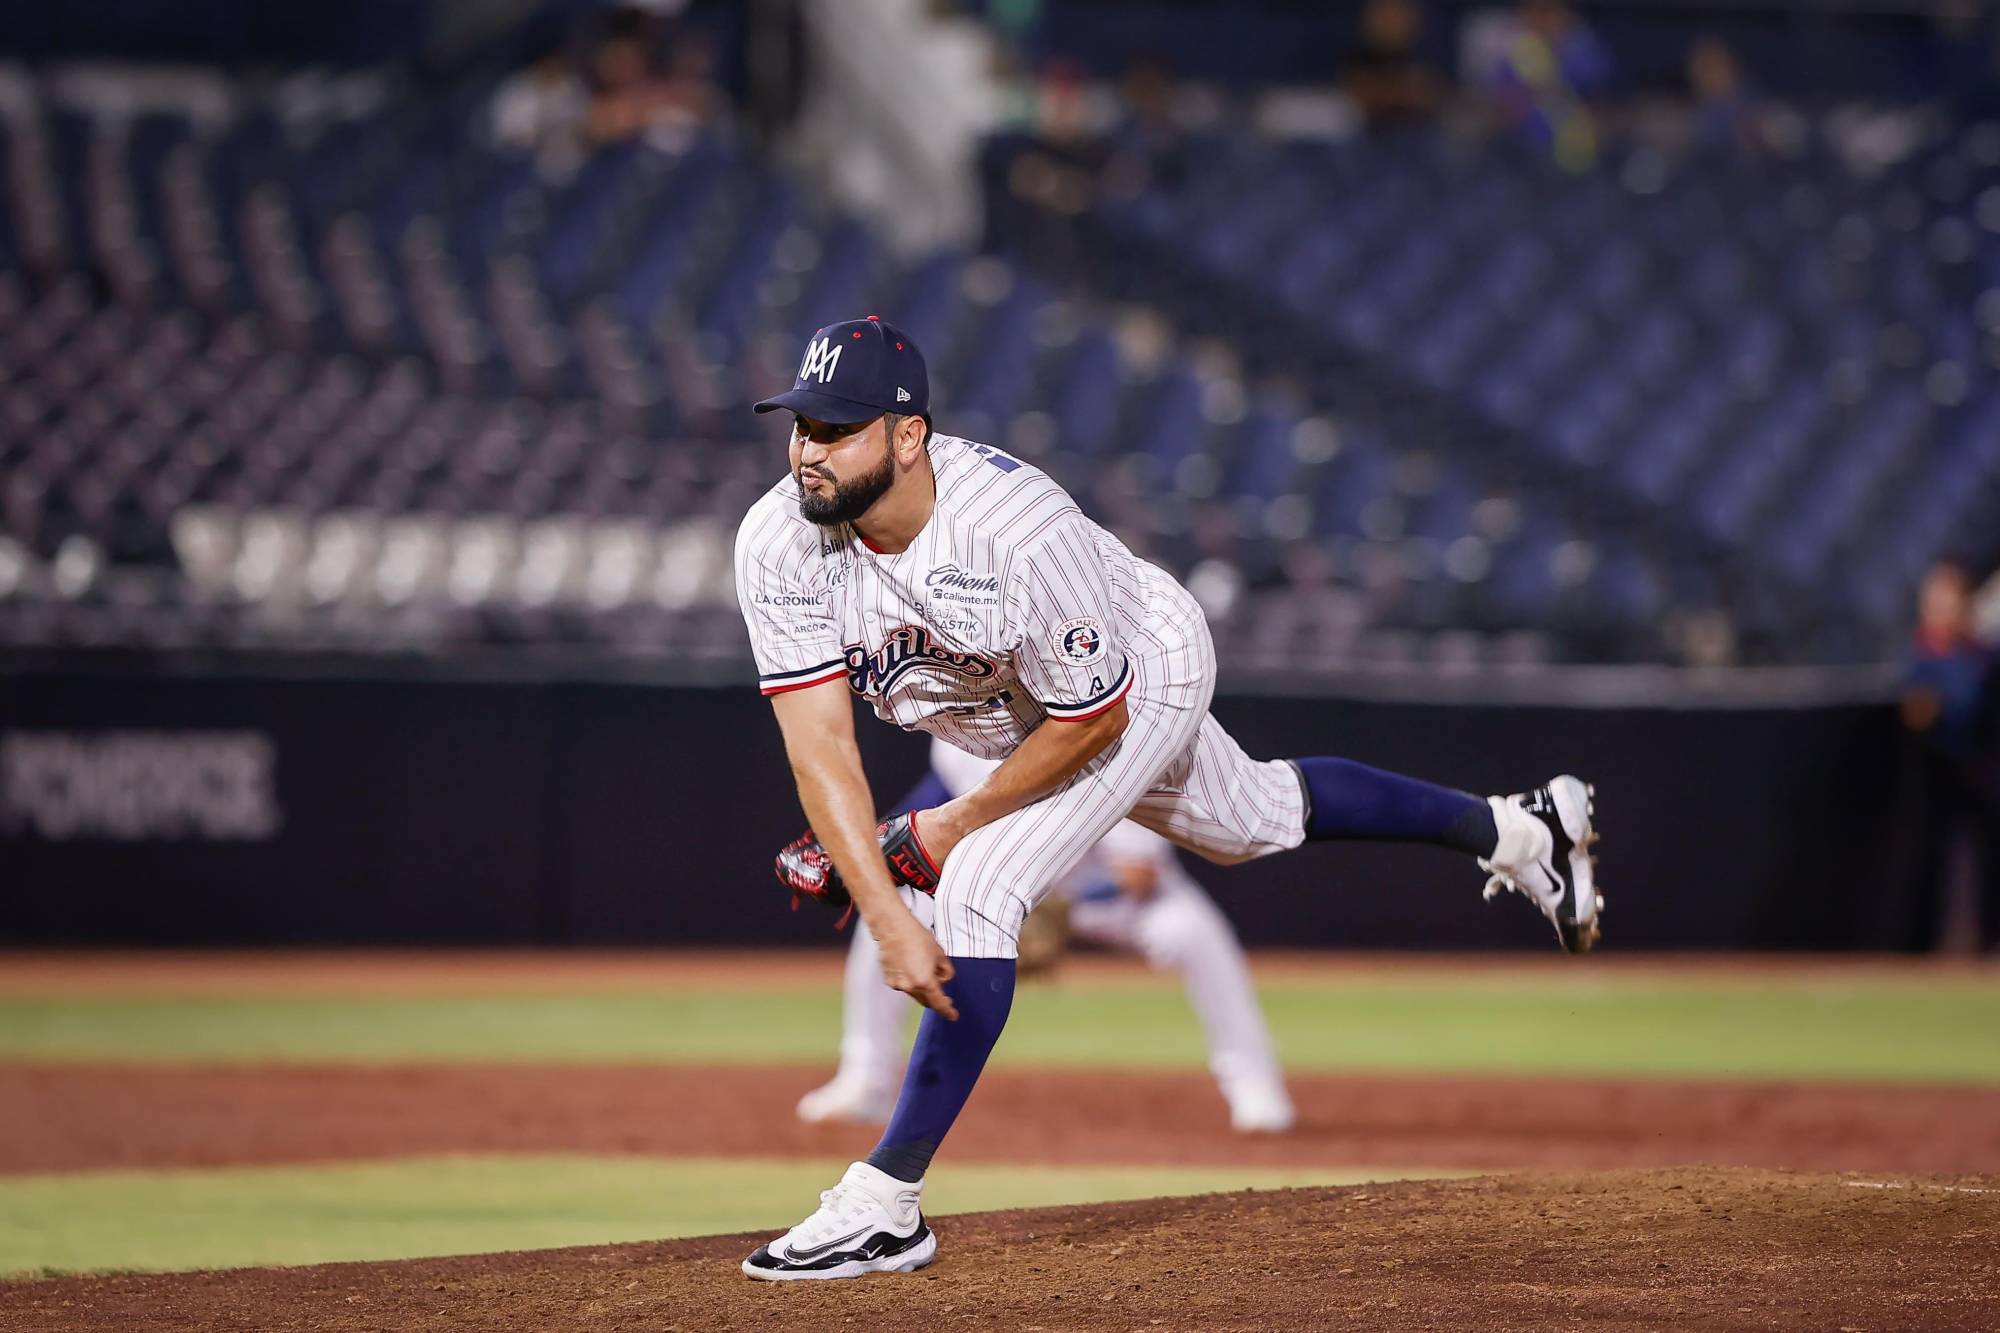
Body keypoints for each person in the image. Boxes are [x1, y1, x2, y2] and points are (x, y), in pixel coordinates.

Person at [732, 316, 1601, 1281]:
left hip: (1135, 671)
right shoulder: (779, 542)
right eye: (801, 426)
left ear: (907, 437)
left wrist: (945, 828)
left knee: (978, 876)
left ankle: (887, 1200)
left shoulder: (1015, 536)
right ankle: (1524, 829)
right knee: (1252, 821)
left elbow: (1091, 723)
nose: (807, 452)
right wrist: (885, 906)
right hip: (1008, 707)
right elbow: (822, 753)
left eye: (835, 429)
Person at [796, 736, 1295, 1135]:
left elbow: (1138, 875)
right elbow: (918, 817)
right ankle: (864, 1078)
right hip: (1003, 892)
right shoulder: (960, 740)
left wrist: (1056, 905)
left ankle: (1252, 1084)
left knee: (1192, 932)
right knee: (889, 915)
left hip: (1105, 898)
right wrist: (860, 853)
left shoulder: (1108, 742)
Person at [1899, 560, 1999, 951]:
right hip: (1940, 770)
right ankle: (1925, 949)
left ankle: (1989, 944)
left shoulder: (1982, 656)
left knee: (1989, 862)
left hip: (1983, 770)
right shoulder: (1926, 655)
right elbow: (1915, 713)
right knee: (1932, 861)